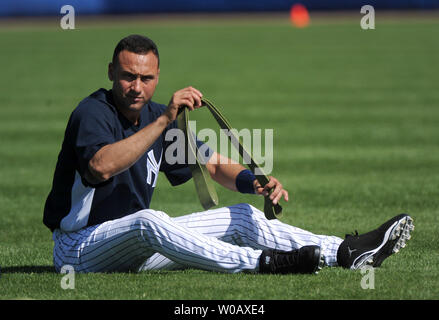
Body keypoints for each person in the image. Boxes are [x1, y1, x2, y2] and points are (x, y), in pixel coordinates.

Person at [43, 34, 413, 274]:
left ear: (157, 76)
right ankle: (263, 263)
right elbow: (100, 166)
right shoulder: (93, 112)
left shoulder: (156, 116)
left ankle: (346, 252)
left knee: (238, 216)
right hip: (80, 250)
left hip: (132, 249)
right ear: (111, 72)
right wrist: (166, 119)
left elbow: (212, 163)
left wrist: (255, 182)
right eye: (127, 76)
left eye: (146, 78)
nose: (137, 86)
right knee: (151, 219)